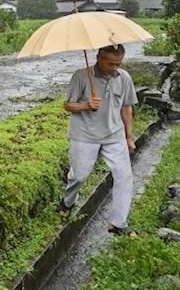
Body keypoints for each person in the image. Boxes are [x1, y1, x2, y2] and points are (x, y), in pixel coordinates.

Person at [56, 44, 139, 236]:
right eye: (110, 64)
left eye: (118, 64)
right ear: (98, 57)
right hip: (84, 135)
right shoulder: (81, 76)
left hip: (114, 135)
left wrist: (128, 136)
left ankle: (119, 223)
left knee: (124, 177)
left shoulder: (124, 78)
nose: (114, 68)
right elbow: (67, 105)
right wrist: (86, 105)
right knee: (79, 175)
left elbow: (127, 108)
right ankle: (67, 202)